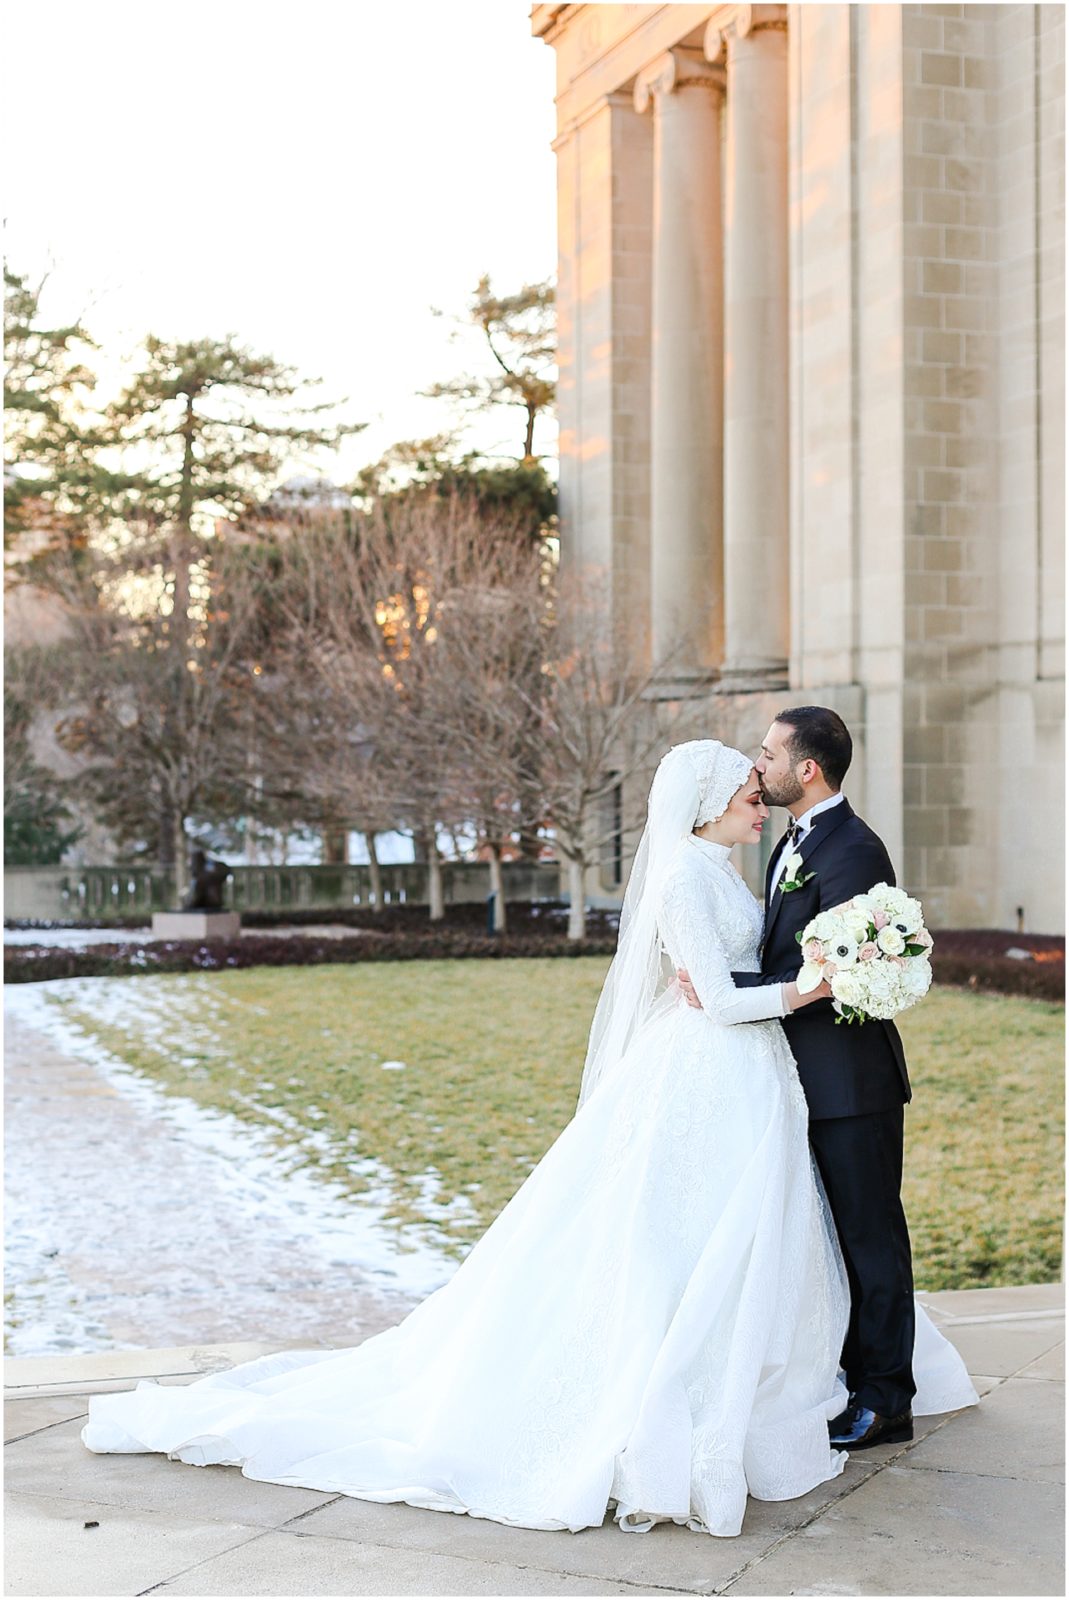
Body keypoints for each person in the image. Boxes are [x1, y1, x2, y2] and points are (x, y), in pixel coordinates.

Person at [81, 740, 976, 1539]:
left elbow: (738, 966)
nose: (758, 794)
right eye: (746, 787)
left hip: (750, 1076)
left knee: (754, 1237)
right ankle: (682, 1395)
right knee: (688, 1237)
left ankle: (795, 1377)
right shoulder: (681, 878)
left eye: (760, 783)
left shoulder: (729, 866)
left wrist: (802, 977)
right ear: (707, 803)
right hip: (713, 1071)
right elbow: (728, 988)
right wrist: (804, 989)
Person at [677, 708, 951, 1450]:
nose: (754, 766)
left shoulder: (853, 851)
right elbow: (784, 961)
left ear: (806, 770)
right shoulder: (794, 843)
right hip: (793, 1075)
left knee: (869, 1238)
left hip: (849, 1082)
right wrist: (717, 978)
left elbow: (839, 972)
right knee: (829, 1239)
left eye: (766, 754)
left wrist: (734, 987)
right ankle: (843, 1378)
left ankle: (885, 1399)